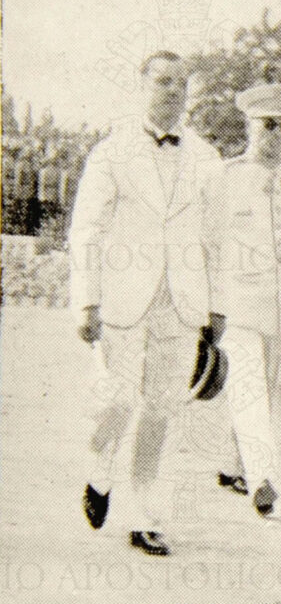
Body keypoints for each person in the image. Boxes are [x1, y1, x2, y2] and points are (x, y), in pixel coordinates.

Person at [70, 50, 226, 556]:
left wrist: (216, 306)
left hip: (181, 300)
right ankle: (99, 467)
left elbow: (217, 237)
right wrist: (86, 300)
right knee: (117, 399)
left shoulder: (206, 157)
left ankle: (143, 513)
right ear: (142, 86)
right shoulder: (111, 153)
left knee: (161, 409)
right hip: (121, 296)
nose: (172, 92)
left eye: (181, 84)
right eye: (162, 82)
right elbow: (87, 231)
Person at [218, 83, 281, 518]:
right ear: (249, 126)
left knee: (266, 386)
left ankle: (232, 464)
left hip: (280, 298)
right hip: (238, 297)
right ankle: (262, 477)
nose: (276, 135)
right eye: (267, 126)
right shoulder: (228, 174)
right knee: (249, 384)